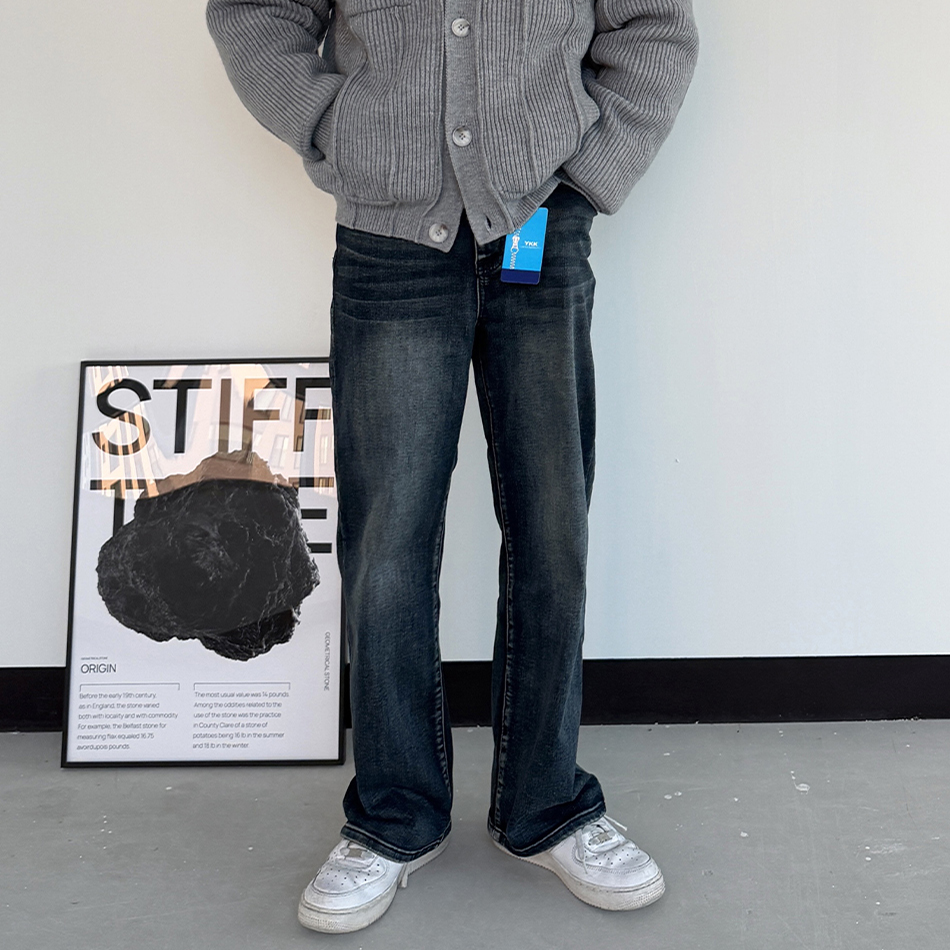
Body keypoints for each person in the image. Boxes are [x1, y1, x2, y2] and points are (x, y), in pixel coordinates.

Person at [207, 0, 698, 933]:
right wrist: (338, 125)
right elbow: (255, 12)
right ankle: (394, 818)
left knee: (552, 527)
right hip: (388, 242)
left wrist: (589, 177)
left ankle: (548, 807)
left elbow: (655, 26)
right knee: (387, 543)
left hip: (541, 230)